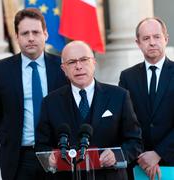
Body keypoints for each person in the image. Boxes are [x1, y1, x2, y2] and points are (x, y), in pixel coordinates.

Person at [35, 40, 143, 180]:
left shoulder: (119, 96)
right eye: (72, 62)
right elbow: (41, 145)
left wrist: (117, 155)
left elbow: (135, 141)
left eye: (84, 60)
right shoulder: (50, 102)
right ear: (64, 69)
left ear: (94, 62)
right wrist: (49, 157)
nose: (78, 66)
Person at [0, 8, 67, 180]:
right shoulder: (0, 70)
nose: (31, 38)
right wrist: (8, 135)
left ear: (46, 34)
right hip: (19, 158)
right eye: (25, 33)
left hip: (57, 156)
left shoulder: (62, 67)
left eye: (36, 32)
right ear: (17, 37)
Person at [119, 17, 174, 180]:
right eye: (146, 38)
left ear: (166, 39)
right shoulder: (127, 77)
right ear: (138, 43)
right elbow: (125, 121)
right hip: (139, 163)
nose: (152, 42)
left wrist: (158, 154)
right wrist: (142, 156)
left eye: (157, 37)